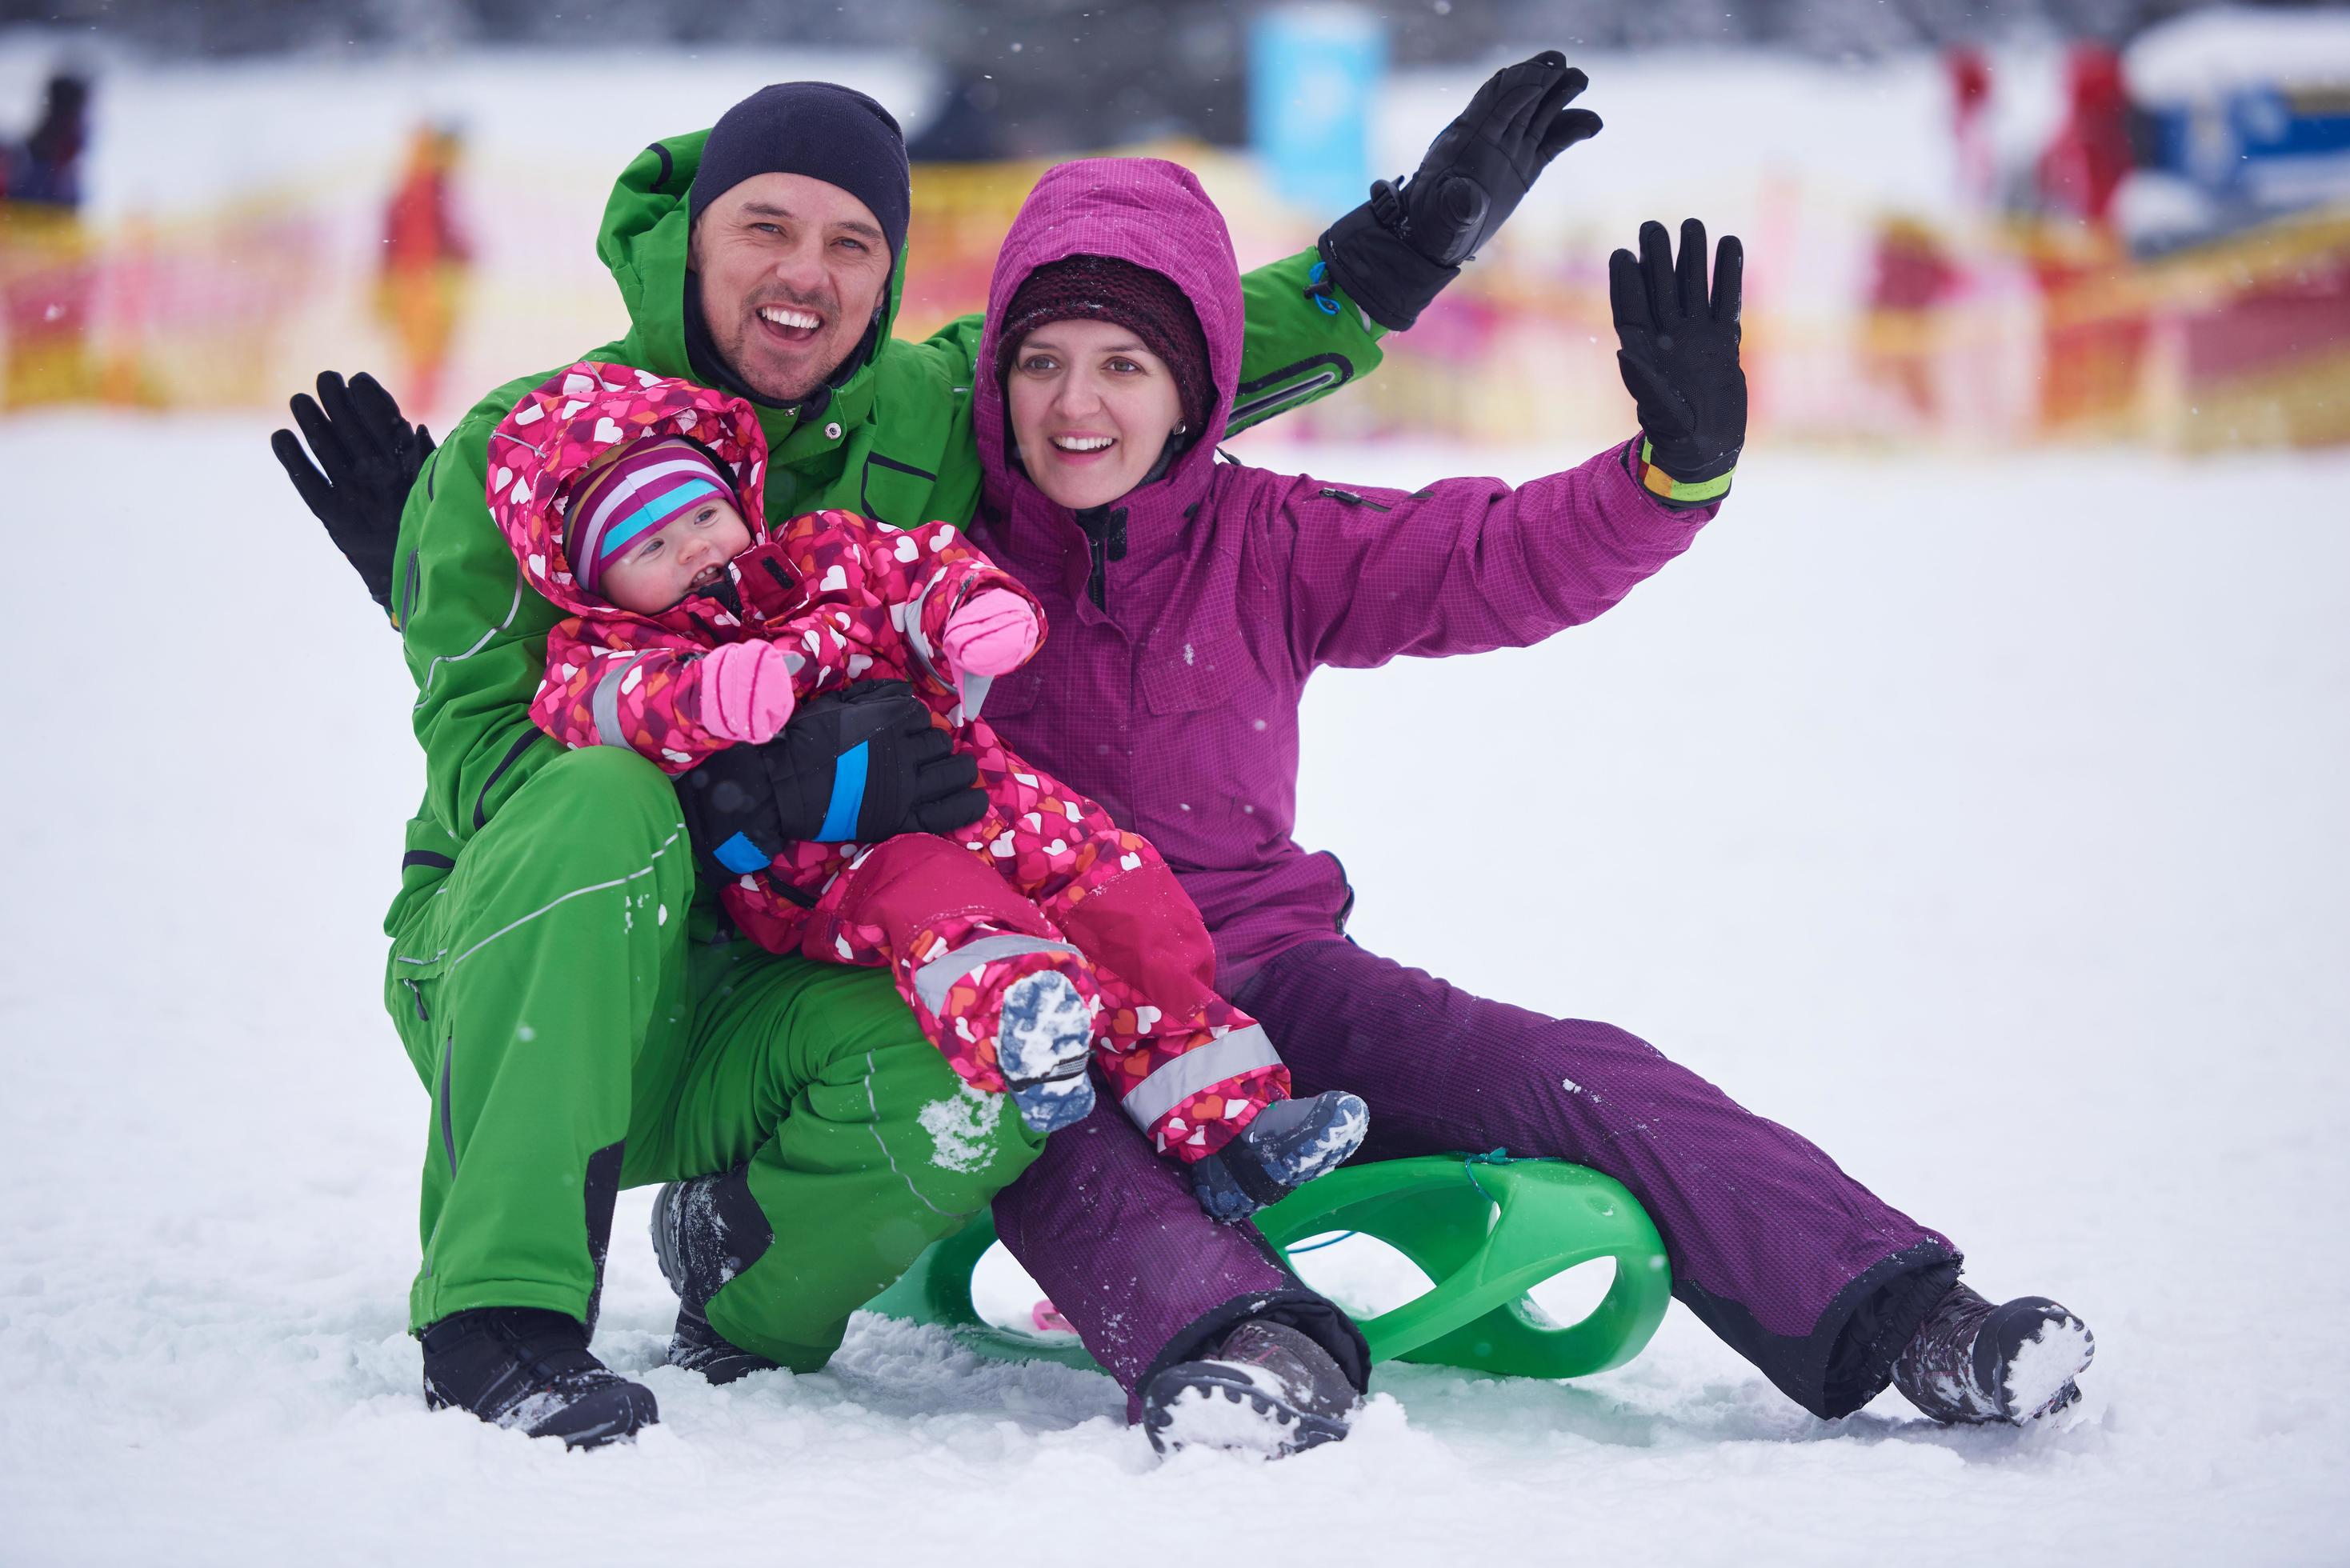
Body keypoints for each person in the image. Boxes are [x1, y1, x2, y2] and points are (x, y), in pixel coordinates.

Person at [270, 60, 1601, 1448]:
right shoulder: (543, 448)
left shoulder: (914, 414)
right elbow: (482, 759)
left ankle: (749, 1278)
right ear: (695, 239)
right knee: (601, 795)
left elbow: (1152, 355)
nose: (807, 273)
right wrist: (729, 776)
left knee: (1005, 1045)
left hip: (768, 987)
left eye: (853, 243)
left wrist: (1392, 255)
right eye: (766, 229)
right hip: (541, 974)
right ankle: (502, 1318)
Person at [958, 158, 2096, 1454]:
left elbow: (1490, 555)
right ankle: (1246, 1348)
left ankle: (1907, 1319)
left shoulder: (1264, 537)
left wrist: (1671, 471)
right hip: (1023, 1005)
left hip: (1259, 969)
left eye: (1122, 364)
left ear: (1193, 388)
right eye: (1042, 361)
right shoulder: (927, 556)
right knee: (1067, 1158)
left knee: (1563, 1067)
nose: (1076, 402)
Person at [489, 360, 1367, 1210]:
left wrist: (971, 609)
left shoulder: (818, 554)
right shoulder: (611, 649)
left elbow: (913, 567)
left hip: (978, 789)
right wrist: (704, 696)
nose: (694, 549)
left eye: (706, 515)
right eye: (650, 545)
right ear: (592, 579)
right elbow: (595, 708)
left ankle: (1228, 1122)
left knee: (1117, 883)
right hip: (835, 862)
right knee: (946, 905)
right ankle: (1029, 1041)